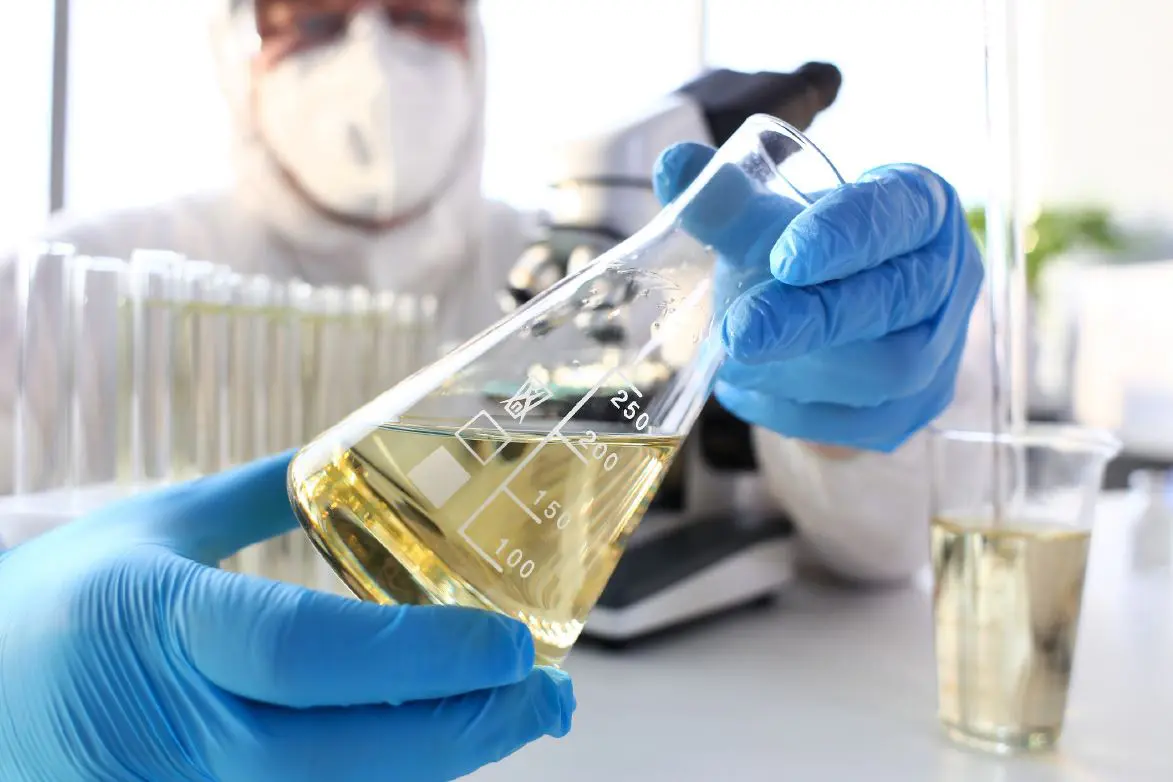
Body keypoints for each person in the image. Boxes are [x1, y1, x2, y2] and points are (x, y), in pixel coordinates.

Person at [0, 1, 991, 779]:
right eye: (312, 14)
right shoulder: (73, 271)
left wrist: (839, 377)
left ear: (474, 36)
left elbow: (888, 544)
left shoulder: (563, 254)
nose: (374, 53)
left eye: (419, 9)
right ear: (236, 44)